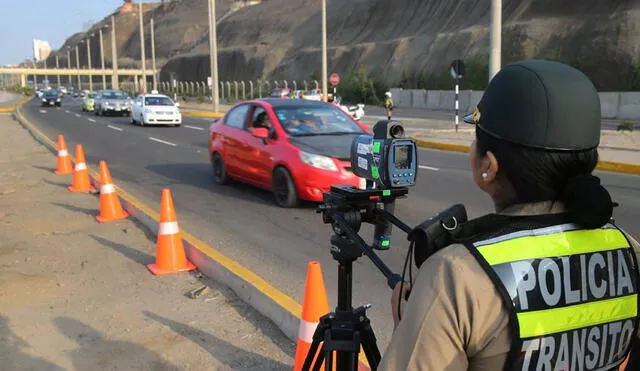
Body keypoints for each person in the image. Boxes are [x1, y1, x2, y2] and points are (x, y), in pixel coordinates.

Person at [379, 60, 640, 371]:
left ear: (489, 167)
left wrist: (408, 325)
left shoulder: (454, 277)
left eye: (475, 139)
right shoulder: (629, 252)